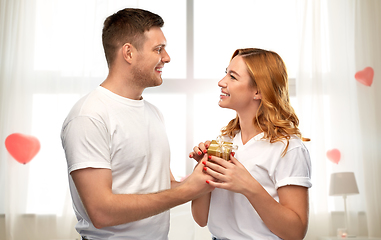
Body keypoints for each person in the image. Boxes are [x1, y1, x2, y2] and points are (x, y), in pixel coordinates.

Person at [61, 8, 213, 239]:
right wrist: (187, 190)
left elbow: (161, 187)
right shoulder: (89, 116)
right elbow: (101, 212)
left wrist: (198, 176)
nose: (167, 57)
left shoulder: (153, 113)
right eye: (158, 49)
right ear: (129, 53)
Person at [190, 48, 312, 240]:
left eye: (233, 77)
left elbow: (295, 232)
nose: (221, 82)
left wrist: (248, 186)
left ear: (259, 91)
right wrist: (201, 169)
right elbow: (201, 218)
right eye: (225, 74)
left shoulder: (288, 148)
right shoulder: (224, 142)